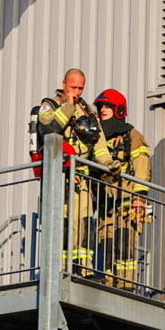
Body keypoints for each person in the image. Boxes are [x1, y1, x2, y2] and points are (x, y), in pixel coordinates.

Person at [34, 69, 115, 274]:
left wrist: (108, 162)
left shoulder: (87, 110)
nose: (77, 92)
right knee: (62, 220)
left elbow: (98, 143)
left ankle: (83, 269)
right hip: (59, 176)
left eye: (80, 88)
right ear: (63, 84)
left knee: (84, 222)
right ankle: (59, 268)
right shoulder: (50, 105)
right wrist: (68, 105)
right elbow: (50, 128)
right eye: (73, 87)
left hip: (82, 176)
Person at [93, 89, 151, 289]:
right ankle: (110, 284)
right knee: (106, 243)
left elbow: (142, 166)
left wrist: (139, 197)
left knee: (124, 243)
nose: (102, 110)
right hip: (105, 202)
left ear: (118, 109)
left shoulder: (131, 135)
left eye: (107, 106)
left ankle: (126, 286)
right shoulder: (98, 139)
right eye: (100, 107)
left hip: (127, 199)